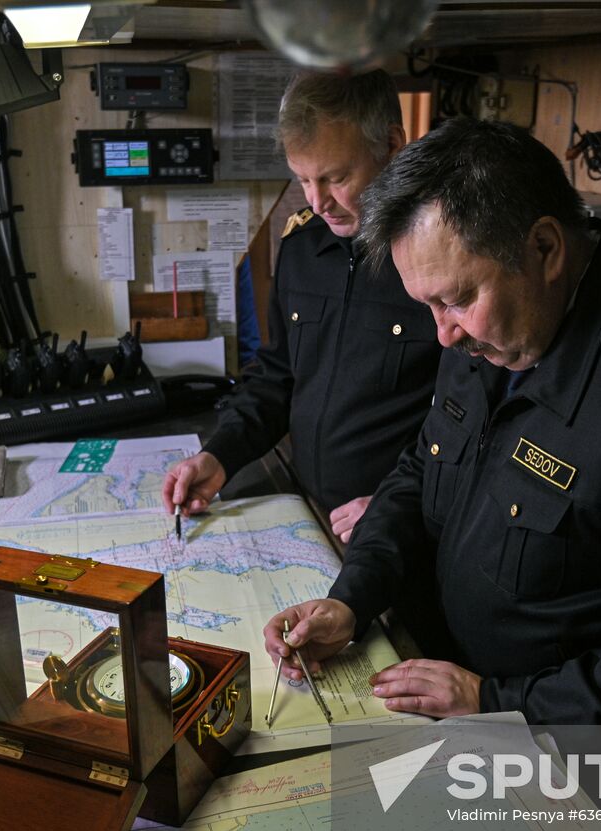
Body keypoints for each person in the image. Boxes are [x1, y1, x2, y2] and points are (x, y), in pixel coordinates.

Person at [264, 117, 601, 726]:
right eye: (427, 304)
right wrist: (352, 599)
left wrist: (499, 704)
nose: (442, 332)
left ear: (544, 249)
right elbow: (421, 471)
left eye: (456, 299)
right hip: (458, 692)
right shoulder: (494, 334)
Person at [163, 70, 442, 543]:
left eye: (335, 178)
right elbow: (277, 378)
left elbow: (475, 418)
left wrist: (408, 498)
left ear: (393, 145)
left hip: (403, 526)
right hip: (312, 517)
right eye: (303, 179)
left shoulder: (441, 258)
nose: (318, 201)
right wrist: (219, 455)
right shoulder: (303, 247)